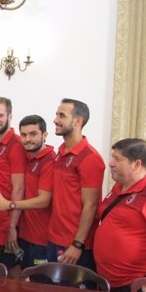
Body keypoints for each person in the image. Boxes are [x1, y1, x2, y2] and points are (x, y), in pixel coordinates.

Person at [0, 115, 55, 269]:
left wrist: (9, 205)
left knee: (39, 284)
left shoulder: (49, 161)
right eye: (23, 135)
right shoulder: (28, 157)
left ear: (45, 135)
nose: (27, 139)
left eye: (33, 134)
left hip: (41, 238)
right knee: (18, 277)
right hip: (24, 232)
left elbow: (44, 200)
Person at [94, 138, 146, 292]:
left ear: (136, 164)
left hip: (134, 284)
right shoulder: (118, 187)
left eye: (117, 159)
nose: (110, 163)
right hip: (105, 280)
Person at [47, 98, 105, 268]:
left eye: (61, 116)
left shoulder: (90, 158)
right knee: (51, 291)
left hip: (73, 244)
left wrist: (77, 244)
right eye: (57, 114)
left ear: (78, 121)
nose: (55, 120)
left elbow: (91, 205)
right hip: (54, 238)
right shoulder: (61, 152)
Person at [0, 96, 27, 271]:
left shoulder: (16, 144)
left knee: (8, 274)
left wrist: (11, 226)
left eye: (0, 115)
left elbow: (19, 187)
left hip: (6, 220)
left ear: (10, 117)